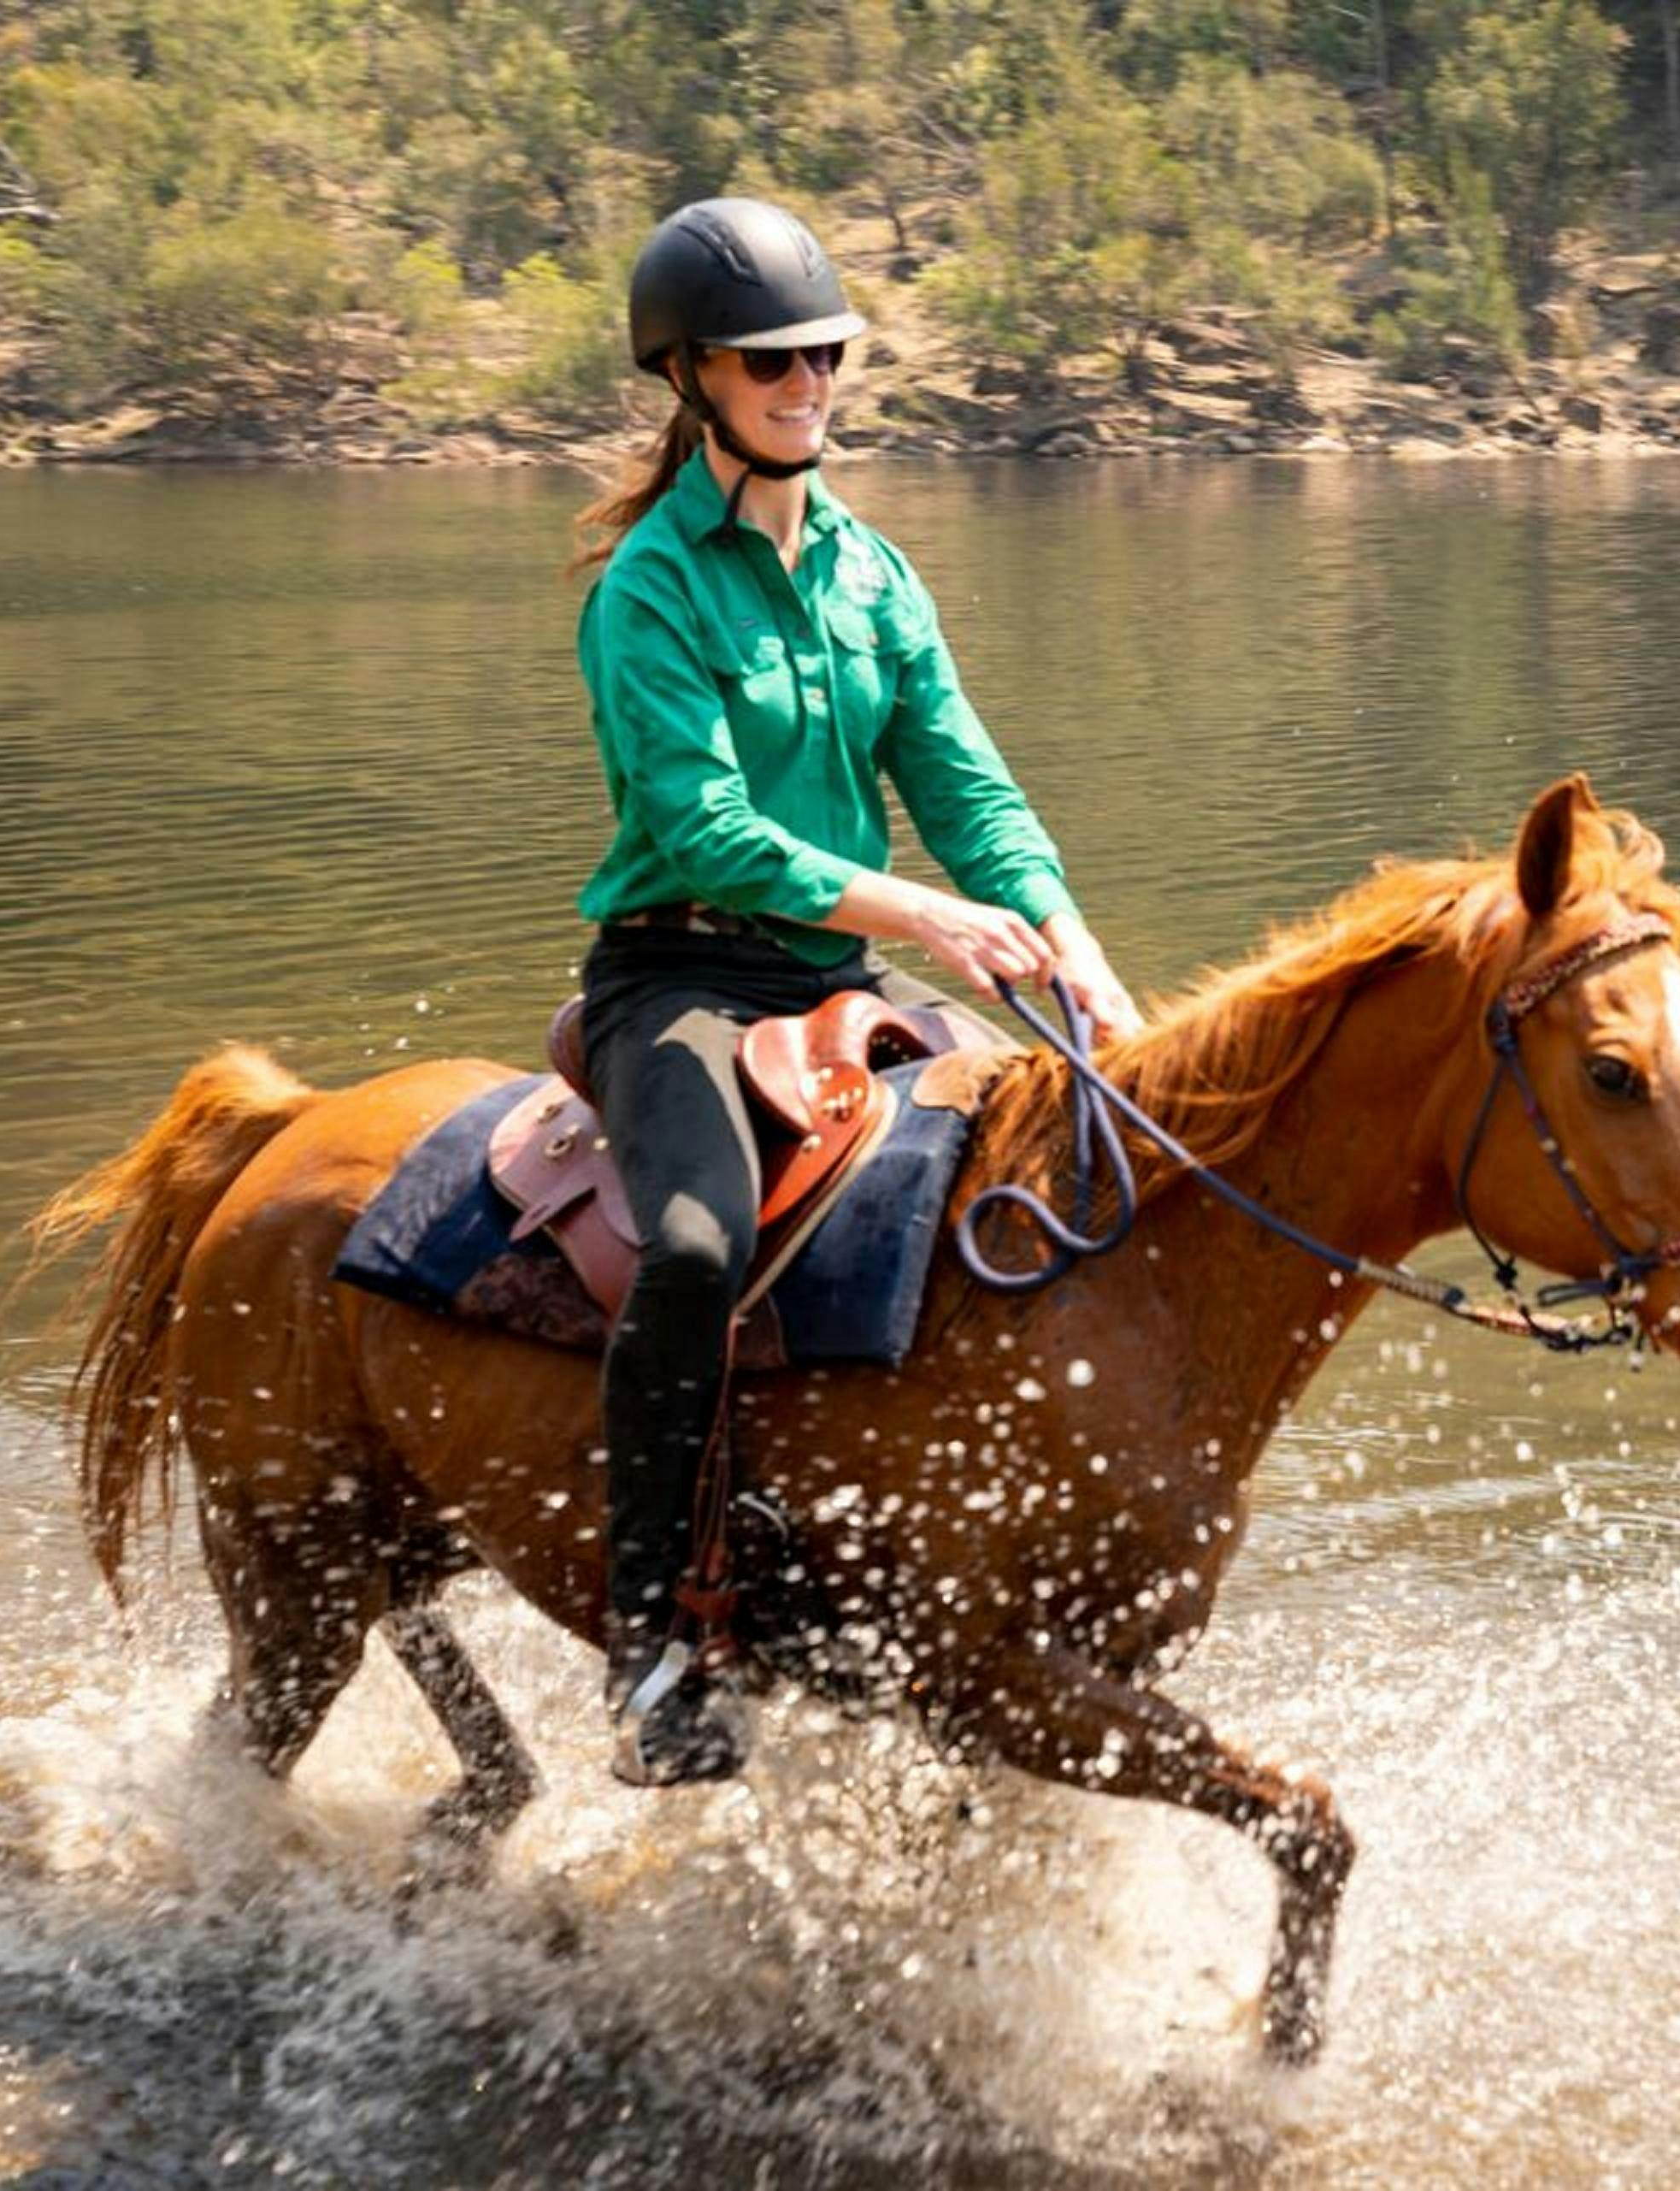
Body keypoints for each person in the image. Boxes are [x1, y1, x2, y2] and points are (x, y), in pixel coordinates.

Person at [570, 196, 1141, 1786]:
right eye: (770, 358)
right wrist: (931, 915)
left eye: (824, 349)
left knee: (1035, 1192)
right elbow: (706, 830)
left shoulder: (877, 577)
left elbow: (971, 795)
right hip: (680, 977)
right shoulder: (647, 591)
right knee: (691, 1248)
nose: (806, 377)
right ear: (688, 374)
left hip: (841, 974)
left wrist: (1081, 959)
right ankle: (654, 1642)